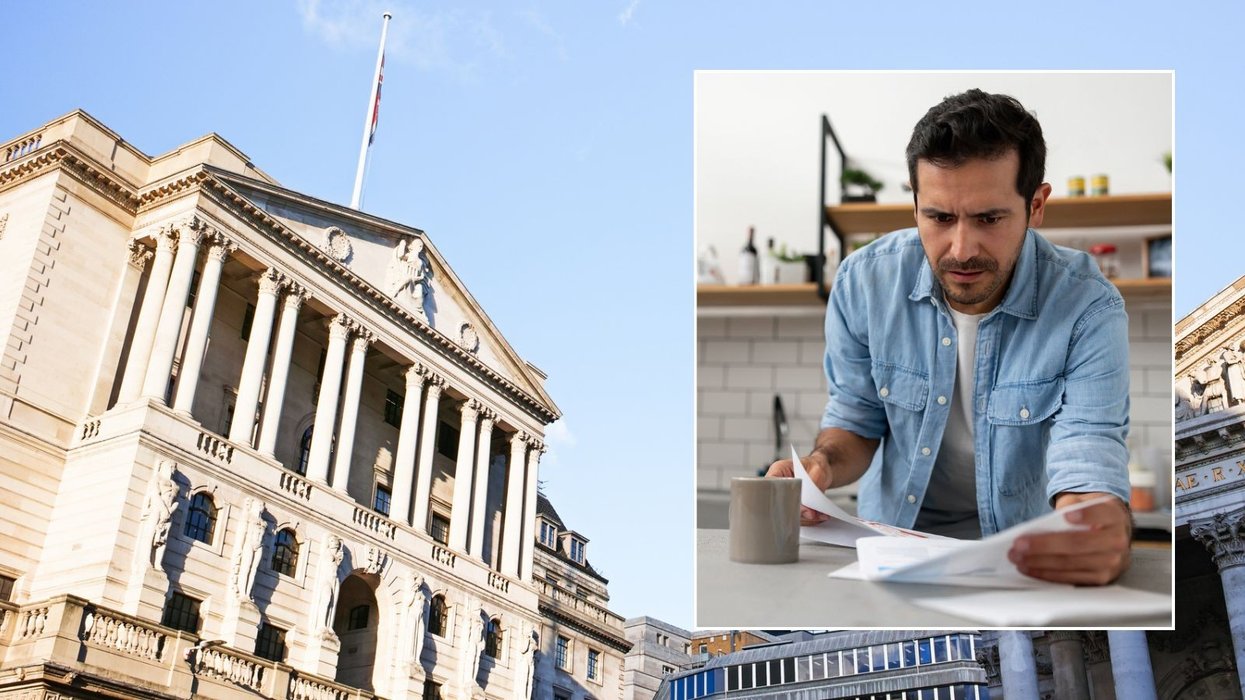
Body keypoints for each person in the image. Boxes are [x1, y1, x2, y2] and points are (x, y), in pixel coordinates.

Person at [767, 89, 1132, 586]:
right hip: (893, 548)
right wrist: (821, 466)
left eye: (989, 218)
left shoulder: (1089, 305)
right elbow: (856, 419)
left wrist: (1090, 520)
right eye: (939, 218)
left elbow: (1087, 445)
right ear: (915, 204)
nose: (961, 249)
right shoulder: (863, 283)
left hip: (1022, 559)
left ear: (1037, 205)